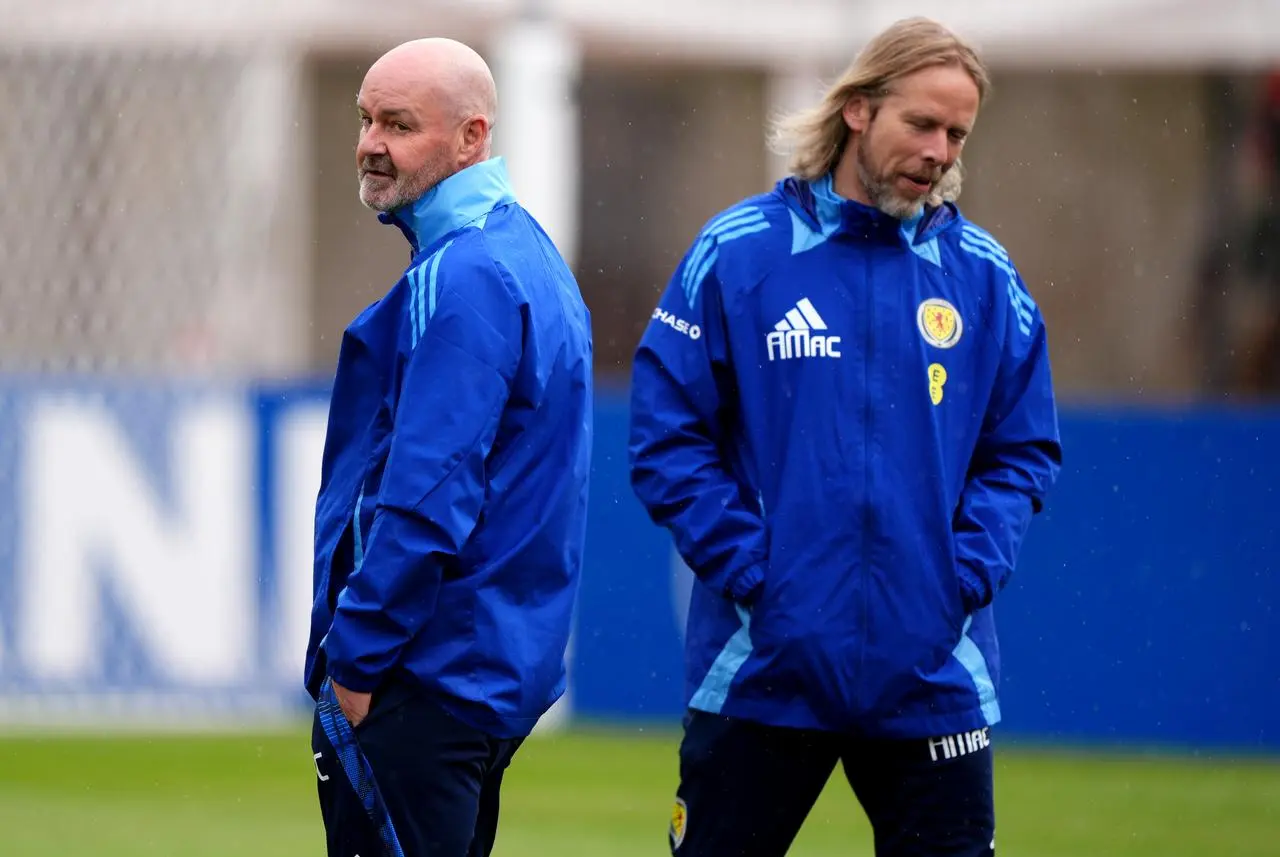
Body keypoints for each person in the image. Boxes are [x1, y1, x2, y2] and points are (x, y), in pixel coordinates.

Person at [628, 17, 1062, 857]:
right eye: (923, 124)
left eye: (957, 133)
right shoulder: (740, 252)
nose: (940, 151)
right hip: (765, 665)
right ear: (859, 109)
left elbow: (1022, 449)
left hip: (931, 672)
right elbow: (667, 434)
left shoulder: (983, 275)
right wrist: (758, 574)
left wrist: (960, 574)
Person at [304, 37, 593, 857]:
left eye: (398, 124)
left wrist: (353, 666)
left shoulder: (464, 276)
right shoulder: (525, 253)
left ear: (472, 137)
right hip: (485, 670)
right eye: (365, 119)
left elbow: (426, 498)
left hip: (422, 674)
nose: (369, 144)